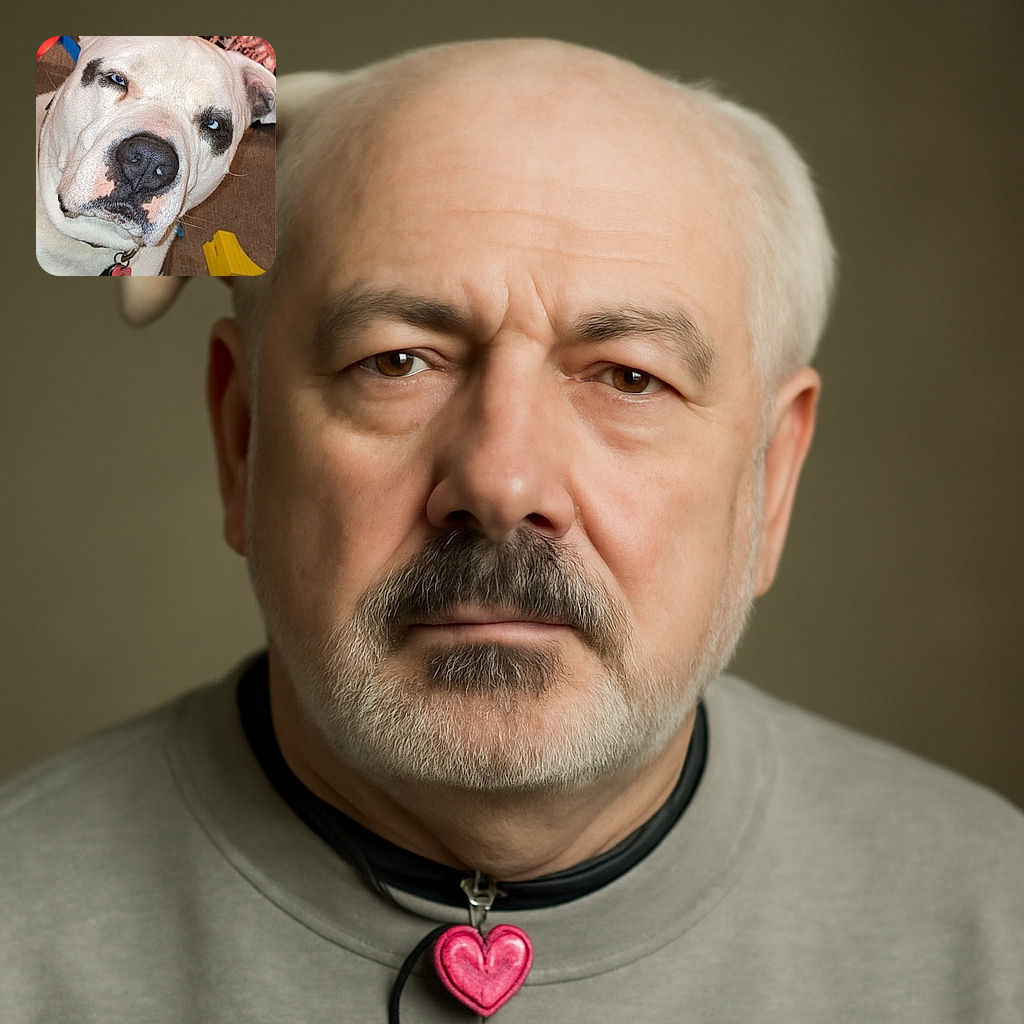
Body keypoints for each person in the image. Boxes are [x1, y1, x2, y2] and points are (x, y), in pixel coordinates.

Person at [2, 38, 1020, 1023]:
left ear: (772, 474)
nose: (500, 479)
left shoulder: (996, 932)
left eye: (628, 376)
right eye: (396, 361)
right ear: (242, 438)